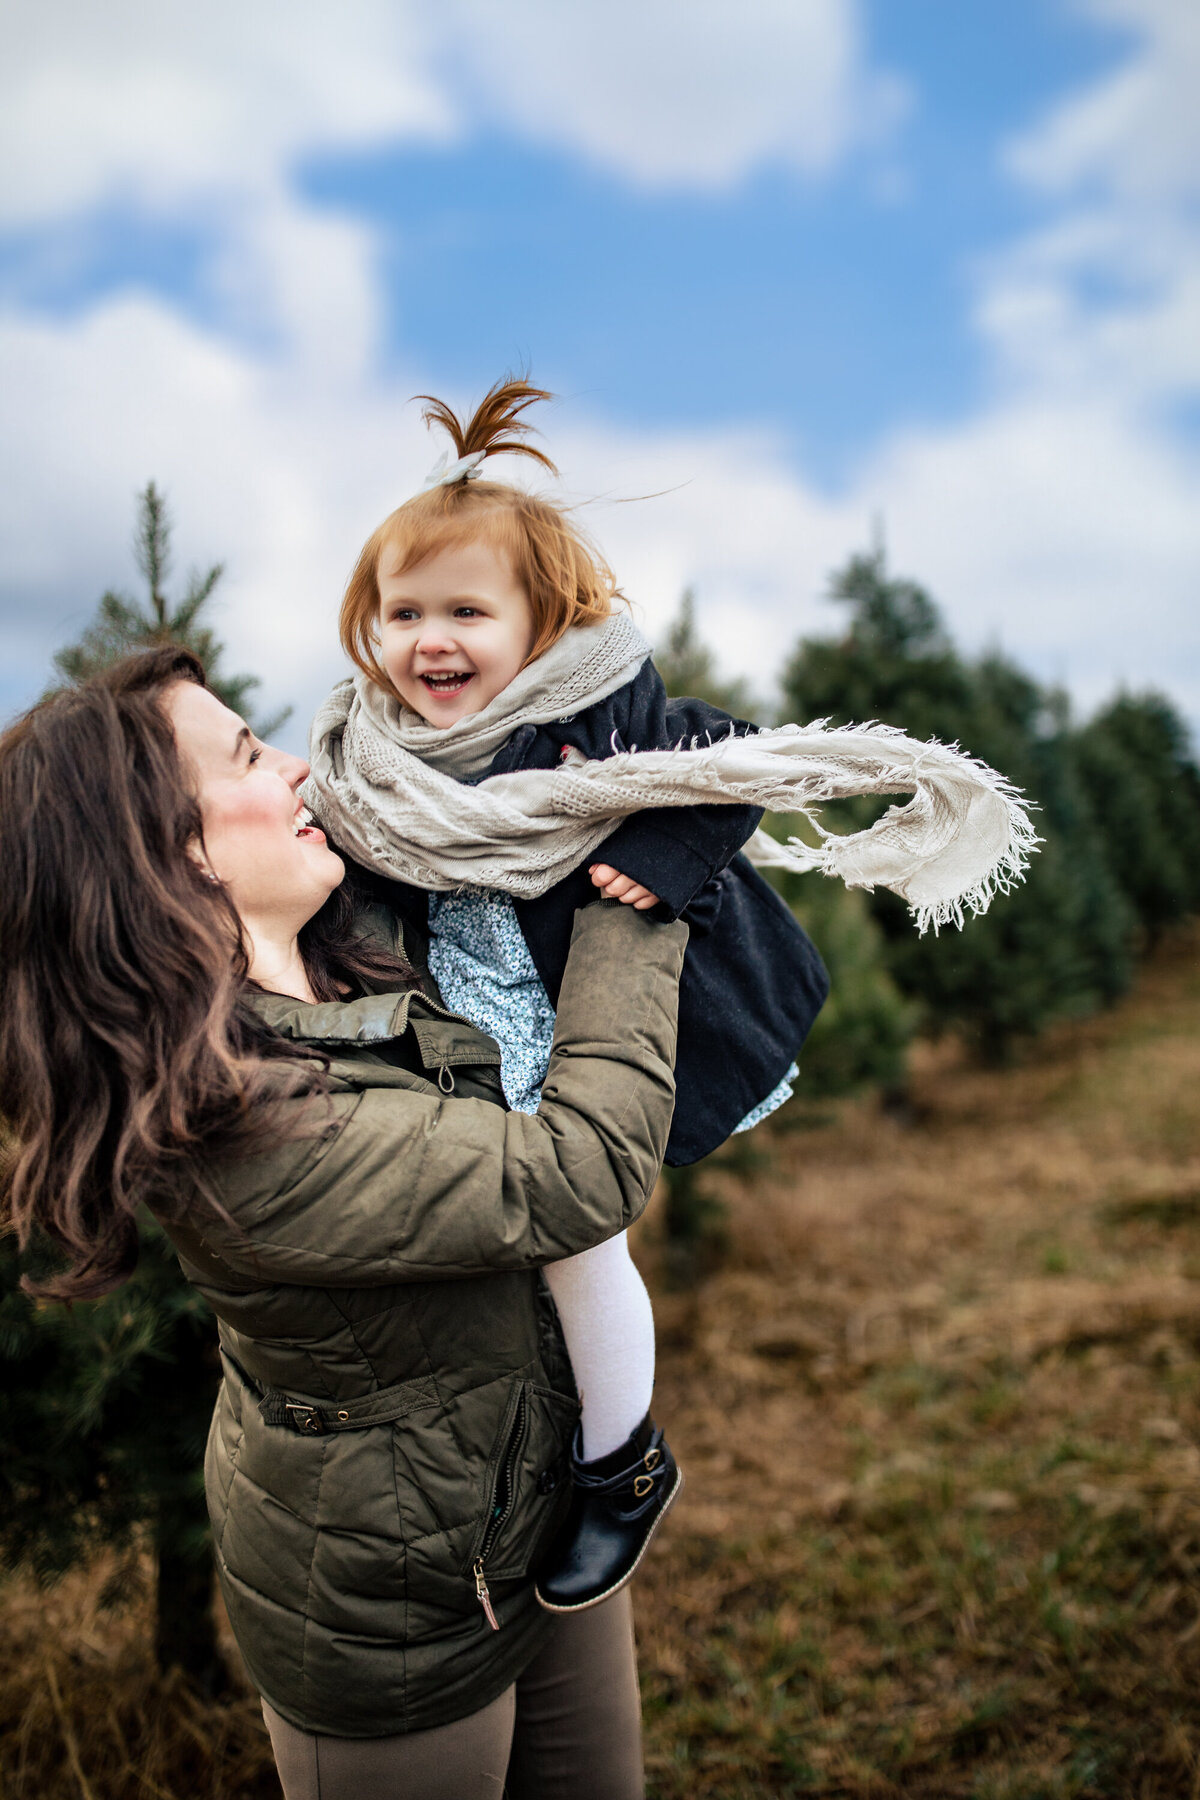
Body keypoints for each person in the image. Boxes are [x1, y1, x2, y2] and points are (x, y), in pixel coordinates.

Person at [0, 646, 692, 1800]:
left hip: (541, 1511)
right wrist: (647, 893)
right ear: (171, 855)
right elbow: (580, 1170)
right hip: (400, 1626)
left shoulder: (342, 951)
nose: (293, 768)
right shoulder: (244, 1140)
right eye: (246, 755)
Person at [308, 377, 832, 1614]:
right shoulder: (375, 757)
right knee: (515, 1260)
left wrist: (659, 854)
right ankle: (554, 1430)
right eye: (403, 613)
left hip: (572, 1024)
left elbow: (726, 757)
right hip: (466, 1032)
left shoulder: (592, 710)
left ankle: (623, 1465)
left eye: (467, 611)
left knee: (580, 1245)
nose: (430, 641)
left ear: (541, 624)